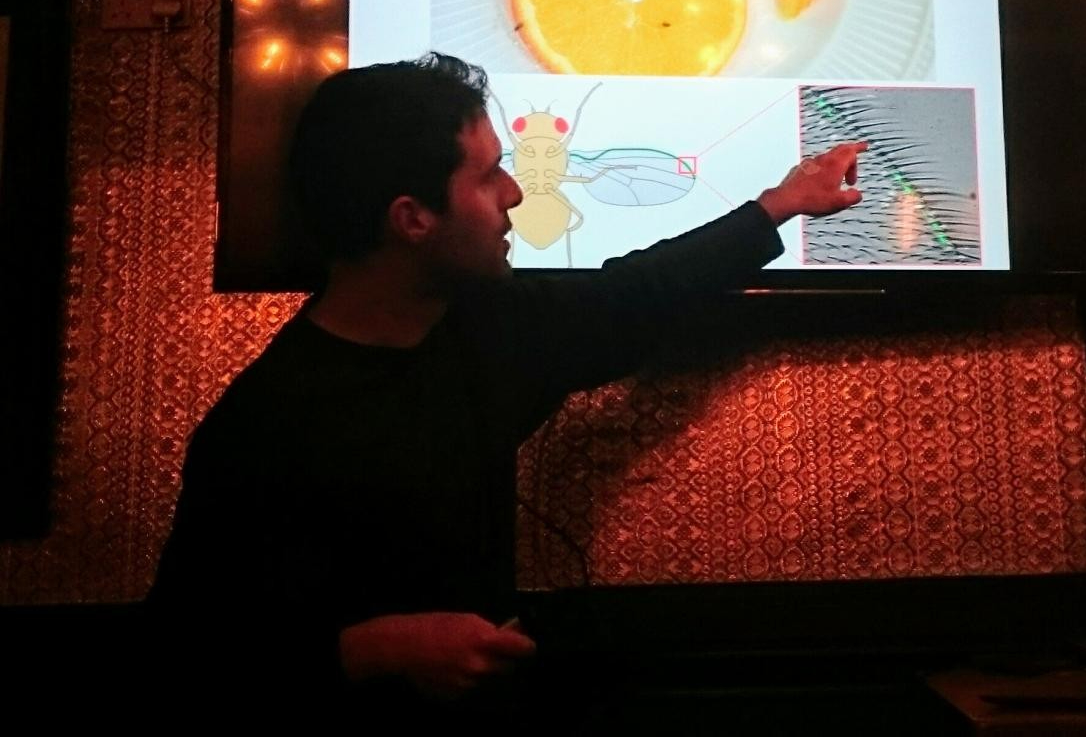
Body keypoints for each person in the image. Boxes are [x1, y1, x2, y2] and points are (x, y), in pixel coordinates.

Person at [147, 53, 864, 719]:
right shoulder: (265, 426)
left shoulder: (487, 326)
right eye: (489, 175)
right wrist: (373, 650)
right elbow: (186, 660)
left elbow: (635, 294)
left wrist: (779, 204)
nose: (515, 192)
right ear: (412, 219)